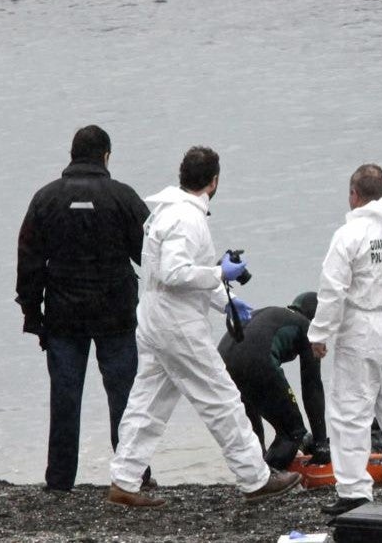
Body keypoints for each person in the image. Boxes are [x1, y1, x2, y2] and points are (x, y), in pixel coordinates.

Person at [107, 146, 302, 508]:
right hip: (177, 326)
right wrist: (219, 273)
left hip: (153, 318)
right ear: (214, 181)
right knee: (222, 399)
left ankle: (124, 478)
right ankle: (255, 478)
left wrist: (224, 300)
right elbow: (174, 273)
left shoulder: (166, 212)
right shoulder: (187, 219)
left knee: (147, 401)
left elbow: (166, 276)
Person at [16, 125, 151, 492]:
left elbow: (28, 260)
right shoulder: (122, 197)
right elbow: (149, 257)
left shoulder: (46, 199)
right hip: (117, 315)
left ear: (73, 154)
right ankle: (133, 476)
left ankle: (59, 481)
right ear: (106, 155)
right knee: (125, 398)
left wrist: (32, 313)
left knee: (65, 398)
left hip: (63, 316)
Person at [308, 163, 382, 517]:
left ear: (354, 195)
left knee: (350, 413)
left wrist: (320, 333)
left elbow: (333, 289)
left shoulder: (350, 235)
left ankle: (354, 491)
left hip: (364, 326)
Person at [218, 292, 329, 470]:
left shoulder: (275, 314)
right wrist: (321, 443)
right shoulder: (309, 327)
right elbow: (312, 387)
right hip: (257, 361)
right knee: (293, 433)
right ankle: (267, 478)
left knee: (251, 431)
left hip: (222, 363)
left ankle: (255, 473)